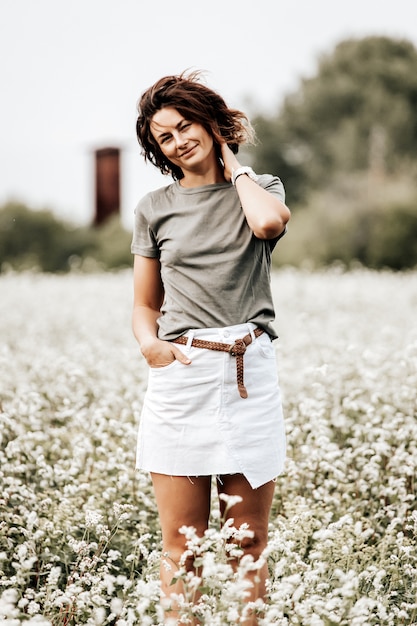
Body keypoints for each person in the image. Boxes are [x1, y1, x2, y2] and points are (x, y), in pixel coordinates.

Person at [131, 71, 290, 626]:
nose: (178, 141)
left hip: (251, 373)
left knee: (248, 542)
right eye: (164, 138)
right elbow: (144, 304)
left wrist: (232, 162)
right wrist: (152, 347)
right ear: (157, 151)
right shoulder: (154, 208)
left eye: (186, 125)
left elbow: (268, 224)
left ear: (210, 122)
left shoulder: (261, 188)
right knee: (183, 544)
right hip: (184, 371)